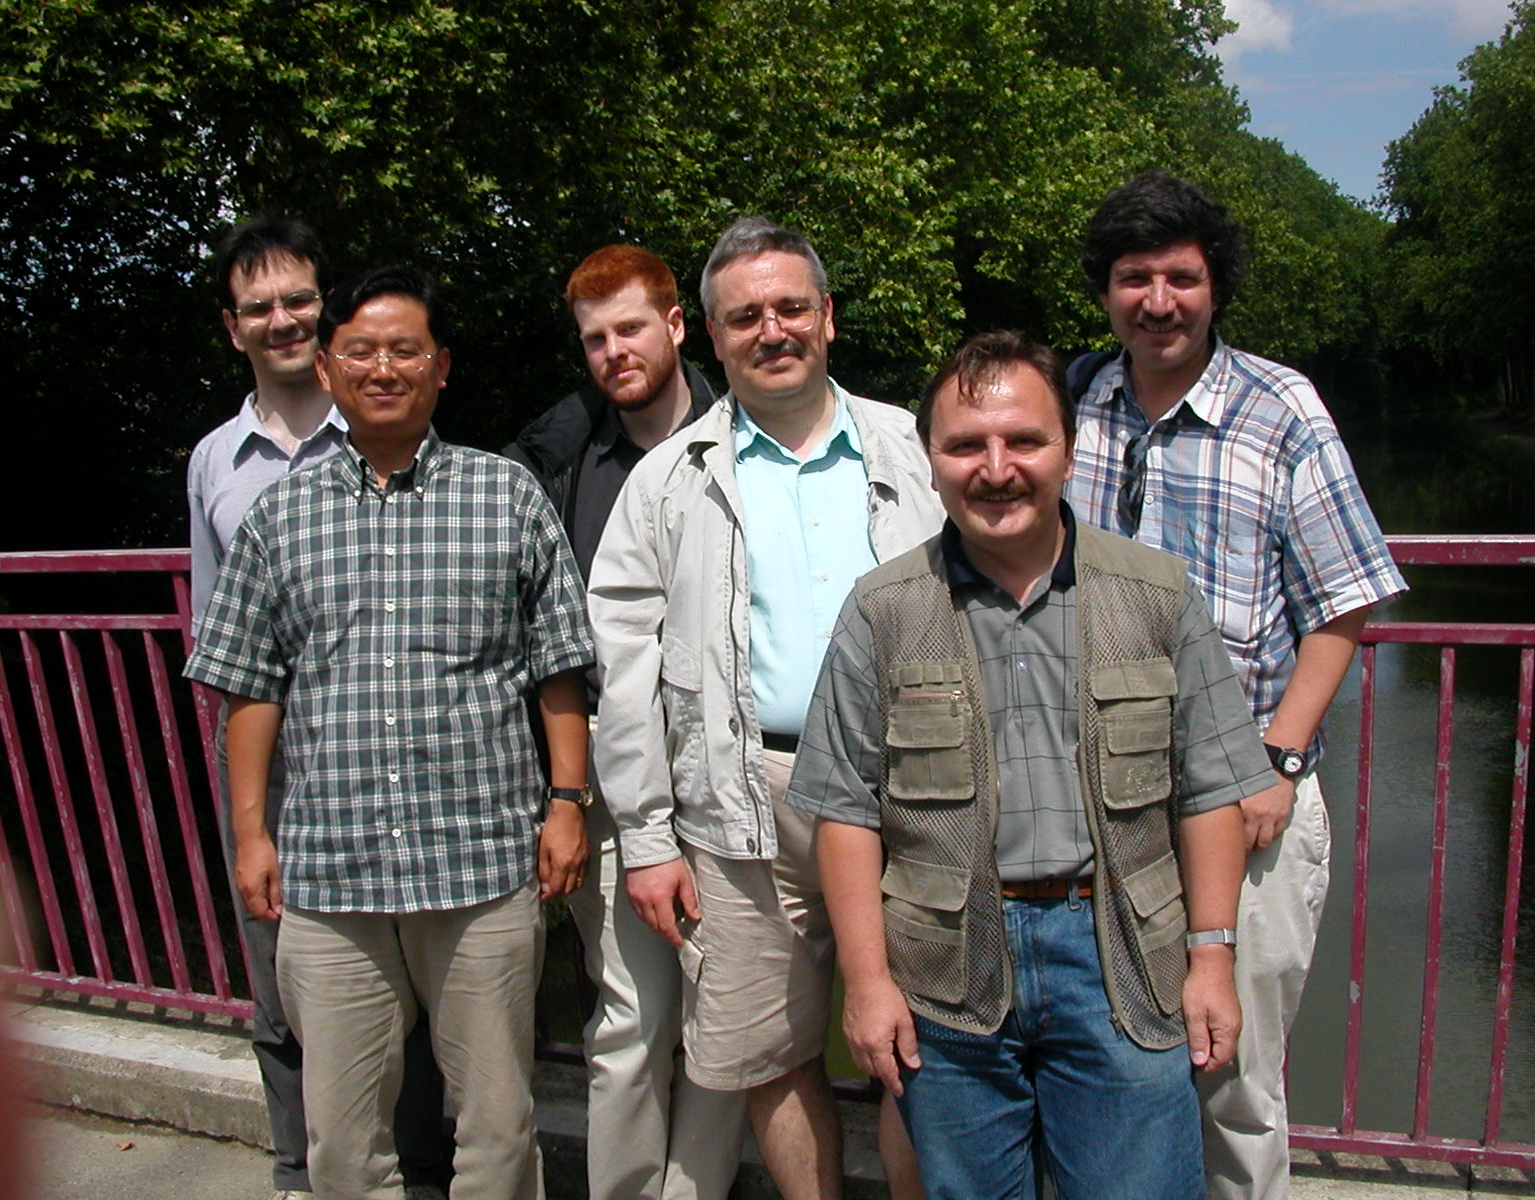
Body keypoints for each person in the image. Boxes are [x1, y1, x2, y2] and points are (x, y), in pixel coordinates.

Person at [786, 330, 1273, 1200]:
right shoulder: (883, 610)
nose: (996, 468)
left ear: (1070, 453)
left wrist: (1211, 958)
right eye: (965, 445)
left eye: (1024, 441)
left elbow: (1210, 790)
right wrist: (866, 985)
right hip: (945, 970)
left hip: (1125, 960)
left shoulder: (1157, 594)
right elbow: (848, 811)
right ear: (931, 463)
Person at [185, 265, 593, 1200]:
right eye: (360, 351)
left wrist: (567, 804)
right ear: (327, 367)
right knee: (341, 1140)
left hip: (481, 863)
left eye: (405, 350)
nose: (382, 368)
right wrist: (251, 835)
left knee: (498, 1128)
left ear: (440, 366)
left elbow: (558, 668)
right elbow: (249, 689)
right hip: (331, 871)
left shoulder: (506, 496)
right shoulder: (279, 517)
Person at [1065, 170, 1407, 1200]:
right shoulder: (1075, 399)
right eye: (1134, 278)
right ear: (1105, 290)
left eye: (1180, 277)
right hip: (1097, 799)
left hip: (1243, 796)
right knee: (1102, 1065)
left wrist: (1279, 760)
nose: (1157, 301)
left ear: (1215, 286)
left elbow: (1343, 601)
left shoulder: (1279, 407)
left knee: (1235, 1078)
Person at [589, 216, 944, 1200]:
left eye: (790, 307)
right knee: (766, 1055)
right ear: (711, 334)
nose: (771, 330)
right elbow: (624, 670)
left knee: (923, 1051)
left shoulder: (916, 448)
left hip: (914, 790)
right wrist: (645, 837)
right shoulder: (667, 480)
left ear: (827, 316)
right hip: (740, 800)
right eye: (745, 317)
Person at [186, 217, 447, 1200]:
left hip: (385, 744)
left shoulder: (388, 421)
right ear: (233, 328)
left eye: (299, 299)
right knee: (278, 974)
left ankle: (419, 1170)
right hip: (273, 755)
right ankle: (301, 1171)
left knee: (404, 966)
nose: (282, 320)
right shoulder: (215, 462)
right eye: (258, 307)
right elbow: (216, 633)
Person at [502, 245, 747, 1200]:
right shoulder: (564, 463)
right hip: (616, 773)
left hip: (733, 768)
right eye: (595, 339)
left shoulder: (745, 437)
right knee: (631, 1019)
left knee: (725, 1015)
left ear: (677, 326)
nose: (615, 352)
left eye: (632, 328)